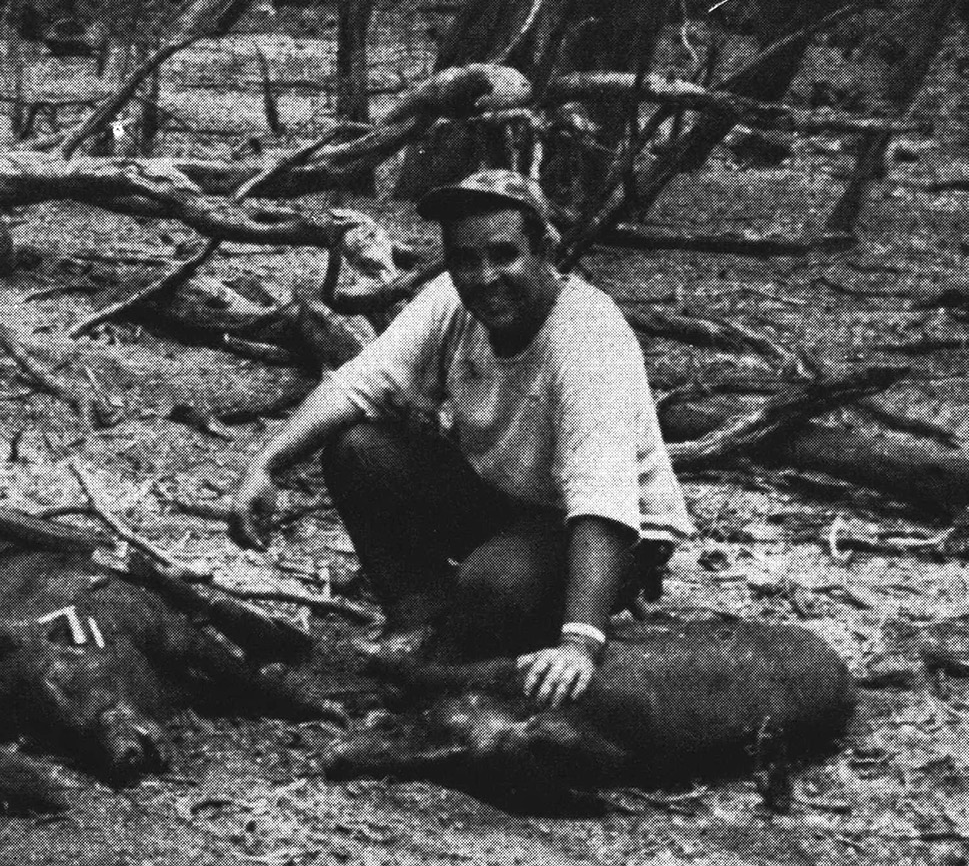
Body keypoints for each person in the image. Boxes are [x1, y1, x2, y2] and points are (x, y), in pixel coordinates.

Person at [227, 169, 692, 707]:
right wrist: (265, 462)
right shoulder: (451, 298)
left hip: (615, 532)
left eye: (504, 255)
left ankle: (449, 655)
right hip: (510, 498)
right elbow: (363, 381)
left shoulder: (586, 339)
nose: (485, 277)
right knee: (359, 449)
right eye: (466, 259)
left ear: (546, 251)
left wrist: (580, 640)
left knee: (493, 585)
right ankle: (418, 622)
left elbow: (602, 499)